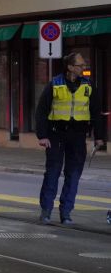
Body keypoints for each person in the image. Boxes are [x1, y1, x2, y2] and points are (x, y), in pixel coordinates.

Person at [35, 52, 106, 225]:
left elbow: (97, 113)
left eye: (84, 65)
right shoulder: (54, 85)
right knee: (52, 172)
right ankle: (46, 211)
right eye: (80, 65)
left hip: (77, 136)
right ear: (70, 67)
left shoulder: (88, 86)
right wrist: (43, 136)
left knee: (73, 175)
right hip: (56, 134)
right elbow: (41, 112)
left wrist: (100, 137)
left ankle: (66, 213)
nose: (84, 68)